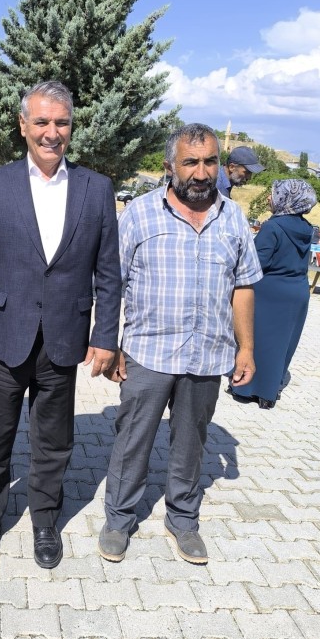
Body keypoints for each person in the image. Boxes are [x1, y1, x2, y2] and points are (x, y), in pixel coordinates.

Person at [0, 80, 121, 570]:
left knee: (54, 441)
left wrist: (105, 338)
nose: (52, 132)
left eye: (62, 122)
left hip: (64, 339)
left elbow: (108, 272)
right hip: (3, 336)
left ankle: (45, 520)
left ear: (71, 127)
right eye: (43, 121)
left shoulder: (96, 188)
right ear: (23, 125)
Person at [99, 123, 262, 566]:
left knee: (191, 443)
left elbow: (244, 286)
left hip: (207, 355)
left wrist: (246, 348)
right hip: (148, 353)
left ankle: (183, 519)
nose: (201, 172)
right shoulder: (139, 214)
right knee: (133, 439)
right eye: (191, 162)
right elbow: (112, 282)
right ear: (170, 166)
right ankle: (119, 519)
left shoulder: (233, 217)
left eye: (210, 161)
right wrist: (109, 343)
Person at [229, 179, 317, 409]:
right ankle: (268, 391)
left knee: (257, 340)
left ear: (286, 198)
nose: (269, 197)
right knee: (282, 343)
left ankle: (246, 387)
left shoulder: (273, 226)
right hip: (297, 291)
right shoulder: (307, 228)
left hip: (270, 291)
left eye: (274, 193)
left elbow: (257, 262)